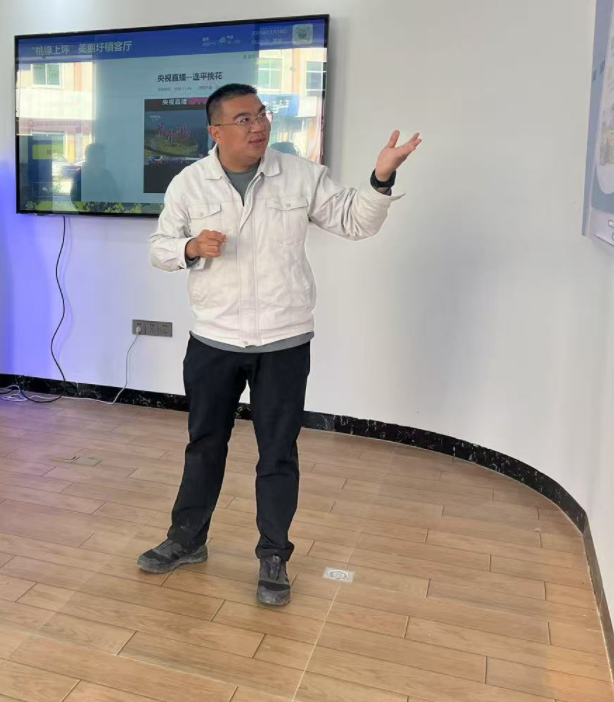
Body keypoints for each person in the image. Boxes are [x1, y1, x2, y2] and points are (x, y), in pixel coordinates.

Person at [140, 82, 421, 607]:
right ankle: (187, 539)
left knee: (277, 452)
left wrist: (381, 177)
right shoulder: (189, 182)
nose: (259, 125)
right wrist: (190, 247)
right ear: (215, 131)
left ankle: (273, 555)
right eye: (244, 119)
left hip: (283, 340)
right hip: (214, 339)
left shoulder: (299, 174)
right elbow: (160, 247)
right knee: (204, 445)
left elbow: (355, 222)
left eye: (262, 114)